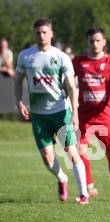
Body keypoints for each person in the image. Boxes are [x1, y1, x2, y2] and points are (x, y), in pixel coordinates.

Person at [14, 19, 89, 204]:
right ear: (35, 34)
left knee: (71, 152)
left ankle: (83, 194)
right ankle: (62, 178)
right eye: (38, 33)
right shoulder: (25, 56)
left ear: (51, 33)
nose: (41, 35)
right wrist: (19, 103)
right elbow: (17, 81)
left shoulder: (61, 57)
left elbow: (71, 87)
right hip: (38, 116)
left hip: (61, 112)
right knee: (48, 158)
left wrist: (75, 113)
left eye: (45, 32)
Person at [72, 28, 110, 202]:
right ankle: (88, 186)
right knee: (80, 151)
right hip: (84, 117)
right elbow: (66, 79)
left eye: (97, 40)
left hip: (106, 117)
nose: (94, 44)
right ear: (87, 42)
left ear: (104, 42)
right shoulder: (78, 61)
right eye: (91, 41)